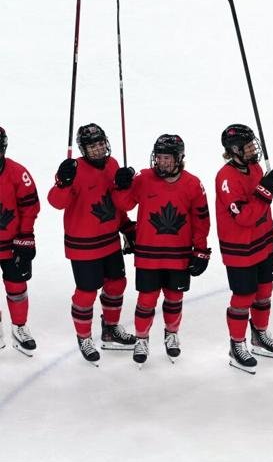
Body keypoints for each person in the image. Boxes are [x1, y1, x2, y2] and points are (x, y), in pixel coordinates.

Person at [112, 134, 211, 366]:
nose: (162, 162)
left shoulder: (193, 184)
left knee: (174, 298)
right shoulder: (143, 178)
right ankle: (141, 338)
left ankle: (172, 334)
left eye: (167, 158)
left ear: (179, 158)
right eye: (159, 157)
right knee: (146, 299)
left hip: (179, 254)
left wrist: (201, 249)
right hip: (148, 254)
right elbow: (124, 204)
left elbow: (201, 221)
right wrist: (121, 185)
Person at [46, 123, 137, 365]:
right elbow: (56, 202)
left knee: (117, 284)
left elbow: (119, 204)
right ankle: (84, 337)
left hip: (110, 240)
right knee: (86, 293)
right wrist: (63, 182)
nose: (97, 149)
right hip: (83, 245)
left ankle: (110, 329)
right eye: (91, 146)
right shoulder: (73, 169)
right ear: (83, 149)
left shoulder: (113, 164)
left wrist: (126, 224)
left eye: (99, 143)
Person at [213, 124, 273, 373]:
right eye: (248, 146)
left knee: (264, 291)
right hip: (239, 248)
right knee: (243, 297)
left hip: (261, 242)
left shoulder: (255, 168)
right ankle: (237, 345)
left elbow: (262, 208)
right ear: (234, 150)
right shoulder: (226, 178)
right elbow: (244, 217)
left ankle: (259, 335)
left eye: (253, 144)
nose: (254, 149)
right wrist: (266, 191)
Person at [0, 125, 40, 355]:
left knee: (17, 286)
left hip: (11, 243)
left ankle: (19, 327)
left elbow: (30, 207)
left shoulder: (17, 173)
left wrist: (25, 236)